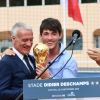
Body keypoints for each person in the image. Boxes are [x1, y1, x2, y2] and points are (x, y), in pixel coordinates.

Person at [0, 22, 50, 100]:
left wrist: (47, 78)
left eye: (31, 40)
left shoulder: (32, 59)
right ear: (13, 39)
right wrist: (29, 91)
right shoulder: (6, 62)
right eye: (25, 40)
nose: (29, 44)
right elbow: (2, 92)